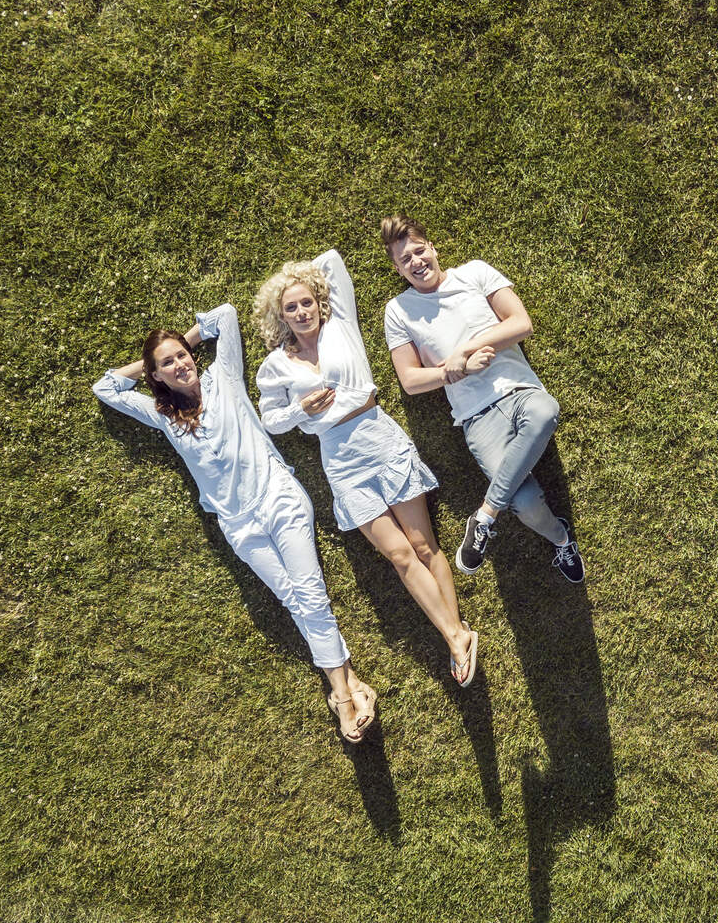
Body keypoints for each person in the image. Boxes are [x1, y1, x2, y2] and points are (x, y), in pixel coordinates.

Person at [92, 304, 377, 742]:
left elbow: (224, 316)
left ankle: (340, 696)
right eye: (167, 364)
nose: (179, 364)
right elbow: (106, 387)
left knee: (310, 593)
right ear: (157, 377)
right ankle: (353, 681)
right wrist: (151, 364)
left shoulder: (222, 378)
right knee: (293, 598)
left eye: (181, 356)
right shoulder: (161, 413)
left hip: (279, 498)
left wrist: (186, 341)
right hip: (238, 523)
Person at [252, 250, 480, 687]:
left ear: (320, 303)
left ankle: (456, 639)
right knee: (398, 555)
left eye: (306, 302)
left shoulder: (341, 325)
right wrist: (300, 409)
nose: (301, 312)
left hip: (378, 435)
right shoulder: (275, 365)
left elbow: (333, 262)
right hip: (338, 458)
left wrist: (297, 277)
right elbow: (271, 420)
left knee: (423, 545)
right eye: (290, 307)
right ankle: (456, 635)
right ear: (279, 317)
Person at [380, 215, 585, 582]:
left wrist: (466, 349)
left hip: (518, 391)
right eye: (404, 260)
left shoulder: (474, 273)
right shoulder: (398, 311)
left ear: (432, 248)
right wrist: (454, 371)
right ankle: (561, 538)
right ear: (397, 269)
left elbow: (521, 323)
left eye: (418, 251)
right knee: (524, 503)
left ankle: (486, 515)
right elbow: (410, 380)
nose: (415, 262)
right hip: (477, 418)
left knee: (545, 411)